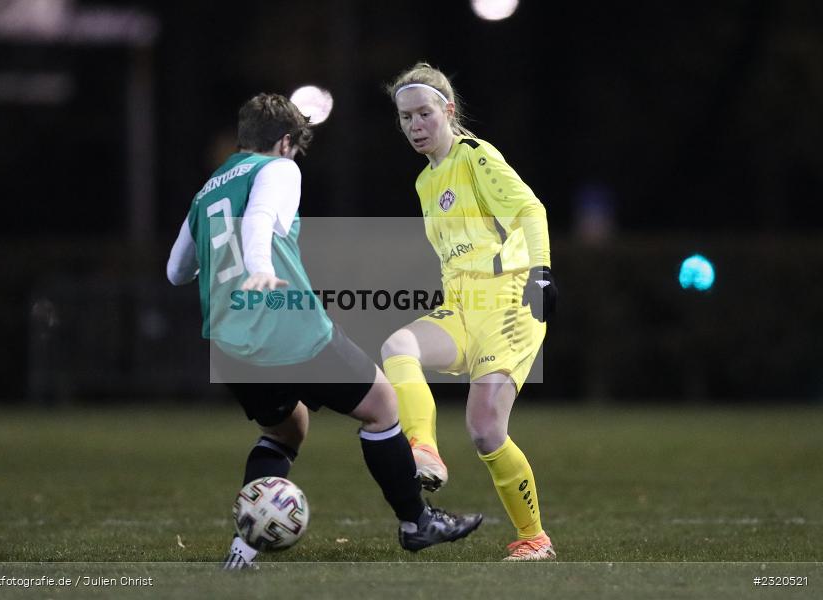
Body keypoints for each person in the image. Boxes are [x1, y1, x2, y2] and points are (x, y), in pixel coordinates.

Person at [166, 92, 482, 570]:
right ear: (286, 141)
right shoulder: (278, 168)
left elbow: (176, 270)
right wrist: (255, 267)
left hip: (230, 345)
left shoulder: (208, 189)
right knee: (381, 406)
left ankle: (244, 547)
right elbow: (259, 222)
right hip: (285, 325)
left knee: (287, 427)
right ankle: (417, 521)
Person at [381, 64, 558, 561]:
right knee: (398, 345)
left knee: (484, 429)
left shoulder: (474, 156)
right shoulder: (425, 182)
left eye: (424, 114)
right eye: (405, 118)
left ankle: (534, 538)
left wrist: (541, 273)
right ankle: (424, 451)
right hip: (461, 308)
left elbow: (531, 210)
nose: (415, 125)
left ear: (448, 111)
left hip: (507, 303)